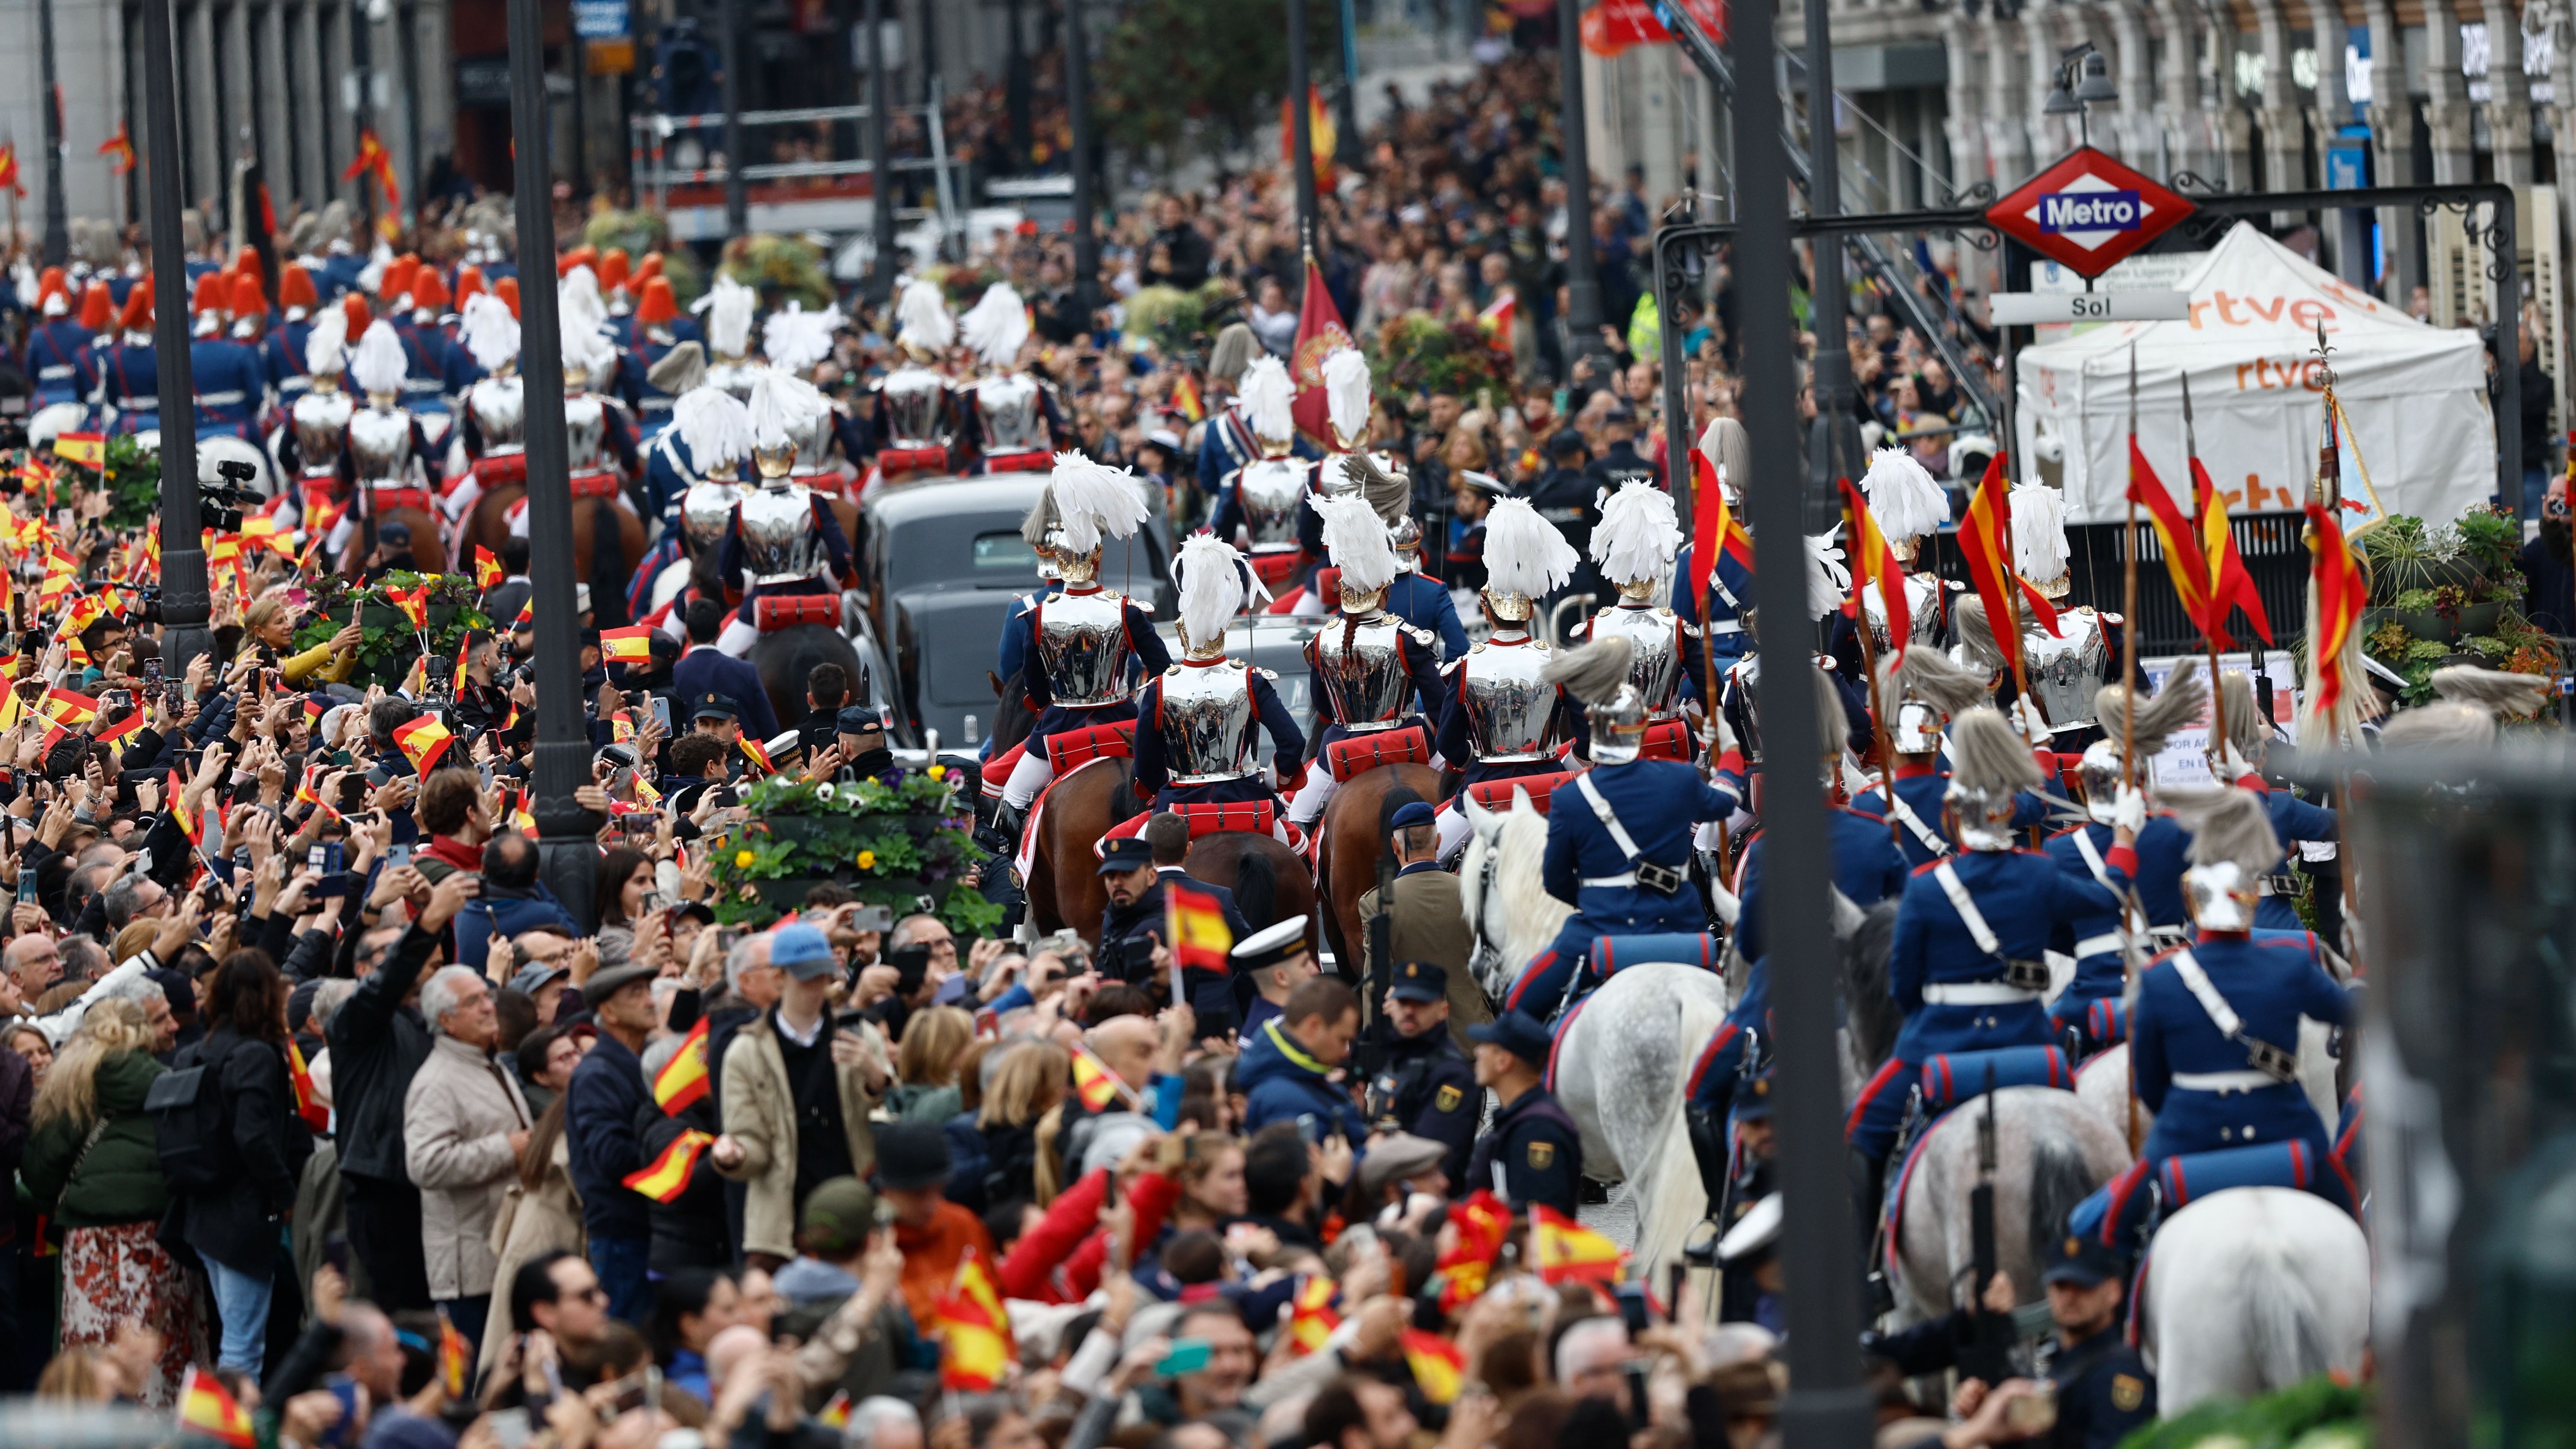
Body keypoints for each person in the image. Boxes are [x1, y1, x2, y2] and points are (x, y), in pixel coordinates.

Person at [2069, 789, 2355, 1252]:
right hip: (2283, 1129)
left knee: (2098, 1231)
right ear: (2249, 901)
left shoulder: (2160, 980)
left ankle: (2120, 1310)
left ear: (2192, 901)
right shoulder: (2289, 965)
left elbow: (2150, 1082)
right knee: (2351, 1218)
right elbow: (2348, 1012)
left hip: (2189, 1135)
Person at [1507, 636, 1744, 1019]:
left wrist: (1598, 903)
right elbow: (1726, 798)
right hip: (1679, 925)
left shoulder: (1570, 799)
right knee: (1735, 1016)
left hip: (1600, 929)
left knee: (1518, 1007)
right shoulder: (1680, 779)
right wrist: (1731, 750)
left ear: (1593, 727)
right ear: (1642, 727)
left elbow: (1554, 881)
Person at [20, 998, 205, 1404]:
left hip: (90, 1242)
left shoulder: (72, 1080)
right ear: (143, 1031)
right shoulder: (172, 1080)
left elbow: (40, 1171)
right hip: (159, 1239)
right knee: (160, 1347)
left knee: (94, 1346)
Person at [327, 867, 480, 1315]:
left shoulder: (421, 1020)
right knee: (401, 1312)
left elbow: (443, 973)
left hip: (431, 1181)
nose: (409, 960)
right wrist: (427, 920)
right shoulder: (355, 1021)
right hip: (384, 1190)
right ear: (361, 969)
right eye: (390, 954)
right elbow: (387, 984)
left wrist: (436, 917)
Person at [164, 950, 311, 1379]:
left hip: (200, 1210)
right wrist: (286, 1194)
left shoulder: (197, 1052)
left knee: (232, 1337)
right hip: (243, 1214)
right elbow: (253, 1136)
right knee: (243, 1348)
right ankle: (229, 1442)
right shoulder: (255, 1054)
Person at [711, 924, 883, 1272]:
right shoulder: (746, 1051)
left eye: (823, 976)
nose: (817, 987)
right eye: (806, 977)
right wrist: (734, 1154)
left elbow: (887, 1117)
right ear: (779, 977)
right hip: (783, 1222)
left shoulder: (858, 1034)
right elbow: (751, 1142)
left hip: (854, 1206)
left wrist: (875, 1076)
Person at [404, 963, 534, 1352]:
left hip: (503, 1253)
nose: (488, 1007)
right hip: (471, 1272)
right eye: (472, 1001)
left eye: (487, 996)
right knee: (478, 1384)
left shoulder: (485, 1062)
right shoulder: (437, 1081)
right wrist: (508, 1148)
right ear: (447, 1020)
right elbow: (425, 1164)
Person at [1935, 1236, 2157, 1448]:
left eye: (2083, 1287)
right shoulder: (2060, 1362)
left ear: (2114, 1292)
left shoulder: (2118, 1376)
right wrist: (1988, 1423)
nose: (2070, 1297)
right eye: (2061, 1287)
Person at [566, 958, 661, 1322]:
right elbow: (612, 1156)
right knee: (628, 1339)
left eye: (649, 990)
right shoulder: (598, 1073)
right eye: (636, 993)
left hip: (645, 1228)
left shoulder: (641, 1061)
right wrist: (673, 1152)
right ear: (608, 1011)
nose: (650, 1000)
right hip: (623, 1235)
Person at [1357, 803, 1481, 1039]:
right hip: (1473, 1033)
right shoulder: (1471, 891)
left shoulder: (1376, 902)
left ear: (1395, 846)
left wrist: (1374, 1046)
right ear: (1438, 841)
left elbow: (1376, 982)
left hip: (1412, 1037)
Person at [1365, 960, 1479, 1184]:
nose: (1409, 1011)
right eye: (1403, 1002)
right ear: (1390, 1005)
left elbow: (1430, 1154)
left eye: (1421, 1004)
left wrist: (1377, 1141)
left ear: (1442, 1011)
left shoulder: (1452, 1074)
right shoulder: (1392, 1053)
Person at [875, 1121, 996, 1327]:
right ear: (887, 1190)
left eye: (939, 1190)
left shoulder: (963, 1224)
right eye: (918, 1194)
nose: (931, 1204)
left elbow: (995, 1297)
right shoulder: (868, 1245)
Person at [1463, 1010, 1582, 1216]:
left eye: (1485, 1047)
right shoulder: (1520, 1117)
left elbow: (1536, 1219)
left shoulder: (1538, 1130)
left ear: (1504, 1061)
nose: (1477, 1053)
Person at [1236, 977, 1366, 1142]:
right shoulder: (1284, 1101)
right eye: (1342, 1040)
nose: (1346, 1052)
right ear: (1314, 1026)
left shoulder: (1299, 1077)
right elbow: (1312, 1165)